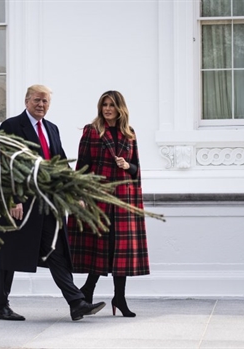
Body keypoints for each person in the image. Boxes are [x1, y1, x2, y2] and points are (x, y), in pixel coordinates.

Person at [0, 84, 106, 321]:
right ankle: (0, 306)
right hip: (20, 202)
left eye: (45, 102)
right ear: (26, 101)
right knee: (8, 255)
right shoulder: (11, 126)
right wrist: (13, 198)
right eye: (37, 100)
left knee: (57, 252)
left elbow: (60, 164)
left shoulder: (52, 129)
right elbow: (4, 164)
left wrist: (74, 194)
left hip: (48, 204)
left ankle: (76, 303)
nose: (41, 105)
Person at [68, 90, 149, 318]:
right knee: (100, 245)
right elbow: (82, 166)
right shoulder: (92, 131)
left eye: (111, 105)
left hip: (123, 198)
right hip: (99, 196)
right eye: (104, 105)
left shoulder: (129, 133)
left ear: (120, 108)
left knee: (118, 248)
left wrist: (127, 166)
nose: (107, 109)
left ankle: (118, 297)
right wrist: (80, 194)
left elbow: (136, 169)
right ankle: (88, 291)